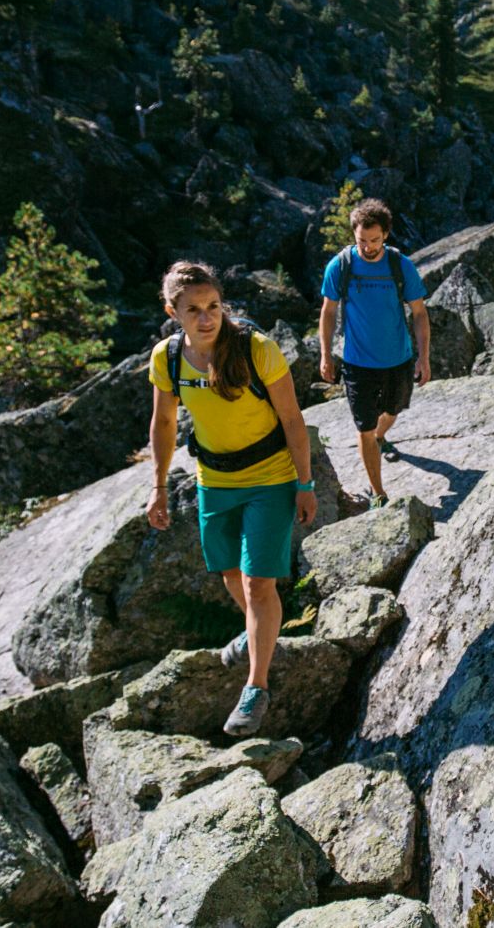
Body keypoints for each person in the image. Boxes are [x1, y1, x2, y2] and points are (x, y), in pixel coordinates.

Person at [145, 261, 318, 737]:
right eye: (194, 310)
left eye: (214, 306)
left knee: (259, 586)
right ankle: (258, 632)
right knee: (230, 574)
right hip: (214, 483)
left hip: (270, 479)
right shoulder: (168, 357)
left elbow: (292, 419)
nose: (206, 318)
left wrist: (304, 484)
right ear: (172, 311)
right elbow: (162, 425)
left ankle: (256, 687)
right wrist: (158, 486)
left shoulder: (256, 349)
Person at [318, 198, 431, 507]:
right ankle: (379, 494)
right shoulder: (340, 266)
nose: (368, 247)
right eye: (361, 241)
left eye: (374, 240)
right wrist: (325, 354)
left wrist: (424, 357)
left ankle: (381, 435)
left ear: (386, 234)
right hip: (357, 363)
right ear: (354, 235)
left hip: (398, 359)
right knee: (364, 428)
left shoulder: (400, 266)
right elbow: (328, 312)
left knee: (392, 412)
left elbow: (419, 313)